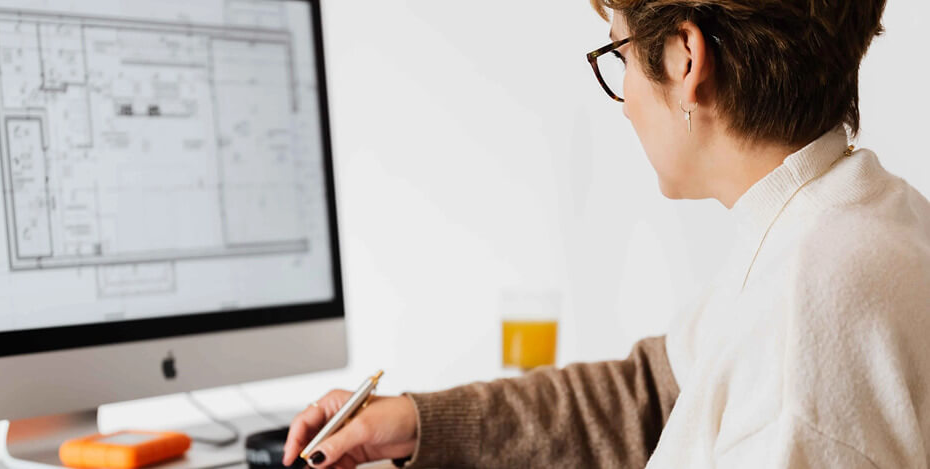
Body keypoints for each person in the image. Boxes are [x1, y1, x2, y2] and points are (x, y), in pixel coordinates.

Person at [284, 0, 930, 467]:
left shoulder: (802, 324)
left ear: (684, 57)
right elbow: (649, 396)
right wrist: (420, 422)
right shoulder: (850, 220)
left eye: (618, 53)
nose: (623, 94)